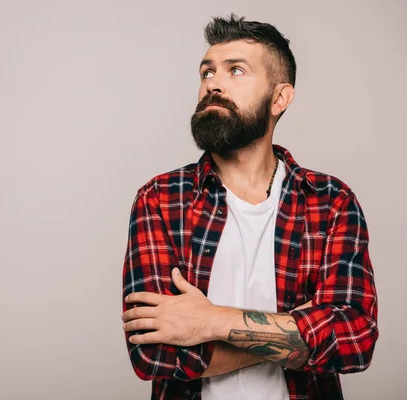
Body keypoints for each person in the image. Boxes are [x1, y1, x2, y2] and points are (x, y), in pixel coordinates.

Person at [120, 14, 378, 400]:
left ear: (280, 98)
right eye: (207, 73)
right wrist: (299, 331)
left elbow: (354, 339)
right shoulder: (160, 198)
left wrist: (211, 322)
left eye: (235, 70)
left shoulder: (331, 202)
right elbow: (153, 354)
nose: (214, 84)